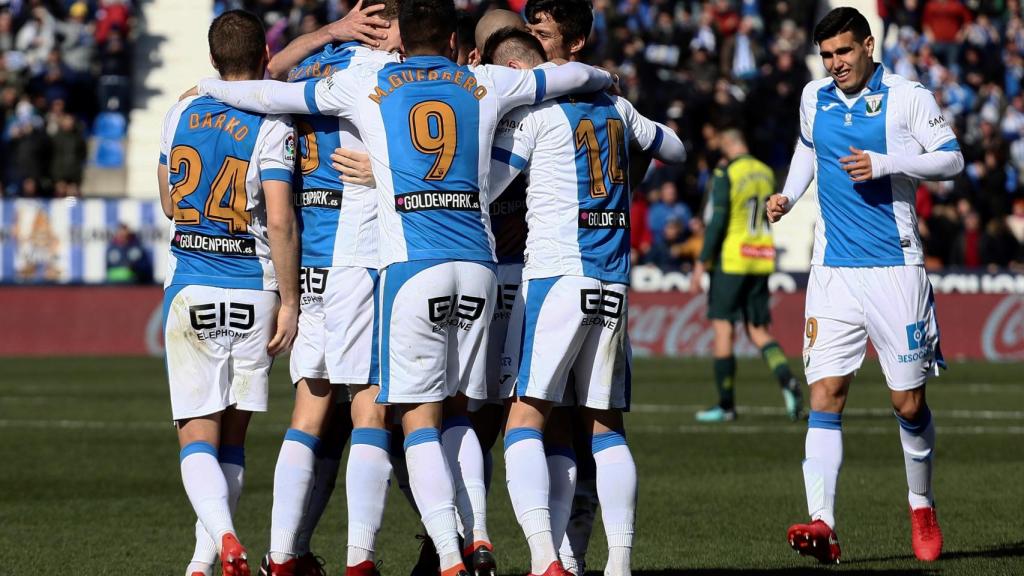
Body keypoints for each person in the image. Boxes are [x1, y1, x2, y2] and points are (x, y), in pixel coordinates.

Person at [196, 3, 615, 575]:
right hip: (471, 263)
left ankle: (377, 554)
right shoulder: (478, 79)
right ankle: (479, 539)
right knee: (457, 414)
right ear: (449, 37)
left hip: (380, 263)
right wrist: (606, 78)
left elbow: (269, 93)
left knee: (354, 411)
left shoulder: (362, 80)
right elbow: (563, 75)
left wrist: (206, 87)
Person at [766, 7, 964, 565]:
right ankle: (824, 522)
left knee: (907, 402)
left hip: (895, 270)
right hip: (832, 273)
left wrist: (884, 162)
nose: (835, 65)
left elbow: (951, 159)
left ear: (869, 46)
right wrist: (789, 194)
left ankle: (921, 504)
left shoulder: (907, 96)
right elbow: (809, 146)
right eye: (827, 56)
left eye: (844, 52)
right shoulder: (814, 96)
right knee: (825, 394)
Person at [487, 27, 685, 576]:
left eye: (544, 31)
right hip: (613, 279)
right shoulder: (618, 107)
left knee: (524, 418)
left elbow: (489, 183)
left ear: (569, 45)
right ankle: (618, 562)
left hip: (556, 276)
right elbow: (675, 147)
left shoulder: (542, 115)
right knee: (603, 424)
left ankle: (543, 559)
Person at [249, 3, 398, 576]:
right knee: (370, 410)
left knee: (308, 411)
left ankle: (282, 556)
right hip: (358, 259)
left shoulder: (310, 70)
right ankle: (360, 558)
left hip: (310, 263)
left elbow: (265, 81)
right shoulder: (381, 76)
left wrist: (327, 33)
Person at [157, 10, 299, 576]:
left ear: (213, 60)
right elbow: (283, 222)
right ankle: (202, 561)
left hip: (192, 287)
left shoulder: (180, 112)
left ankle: (220, 542)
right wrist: (289, 301)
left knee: (196, 435)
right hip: (254, 289)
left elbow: (170, 203)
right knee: (234, 437)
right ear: (265, 55)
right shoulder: (273, 123)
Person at [690, 128, 803, 422]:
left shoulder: (727, 173)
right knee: (759, 330)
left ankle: (726, 406)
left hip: (732, 259)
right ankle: (787, 380)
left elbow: (718, 221)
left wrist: (702, 262)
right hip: (761, 256)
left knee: (723, 329)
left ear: (727, 146)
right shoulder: (765, 171)